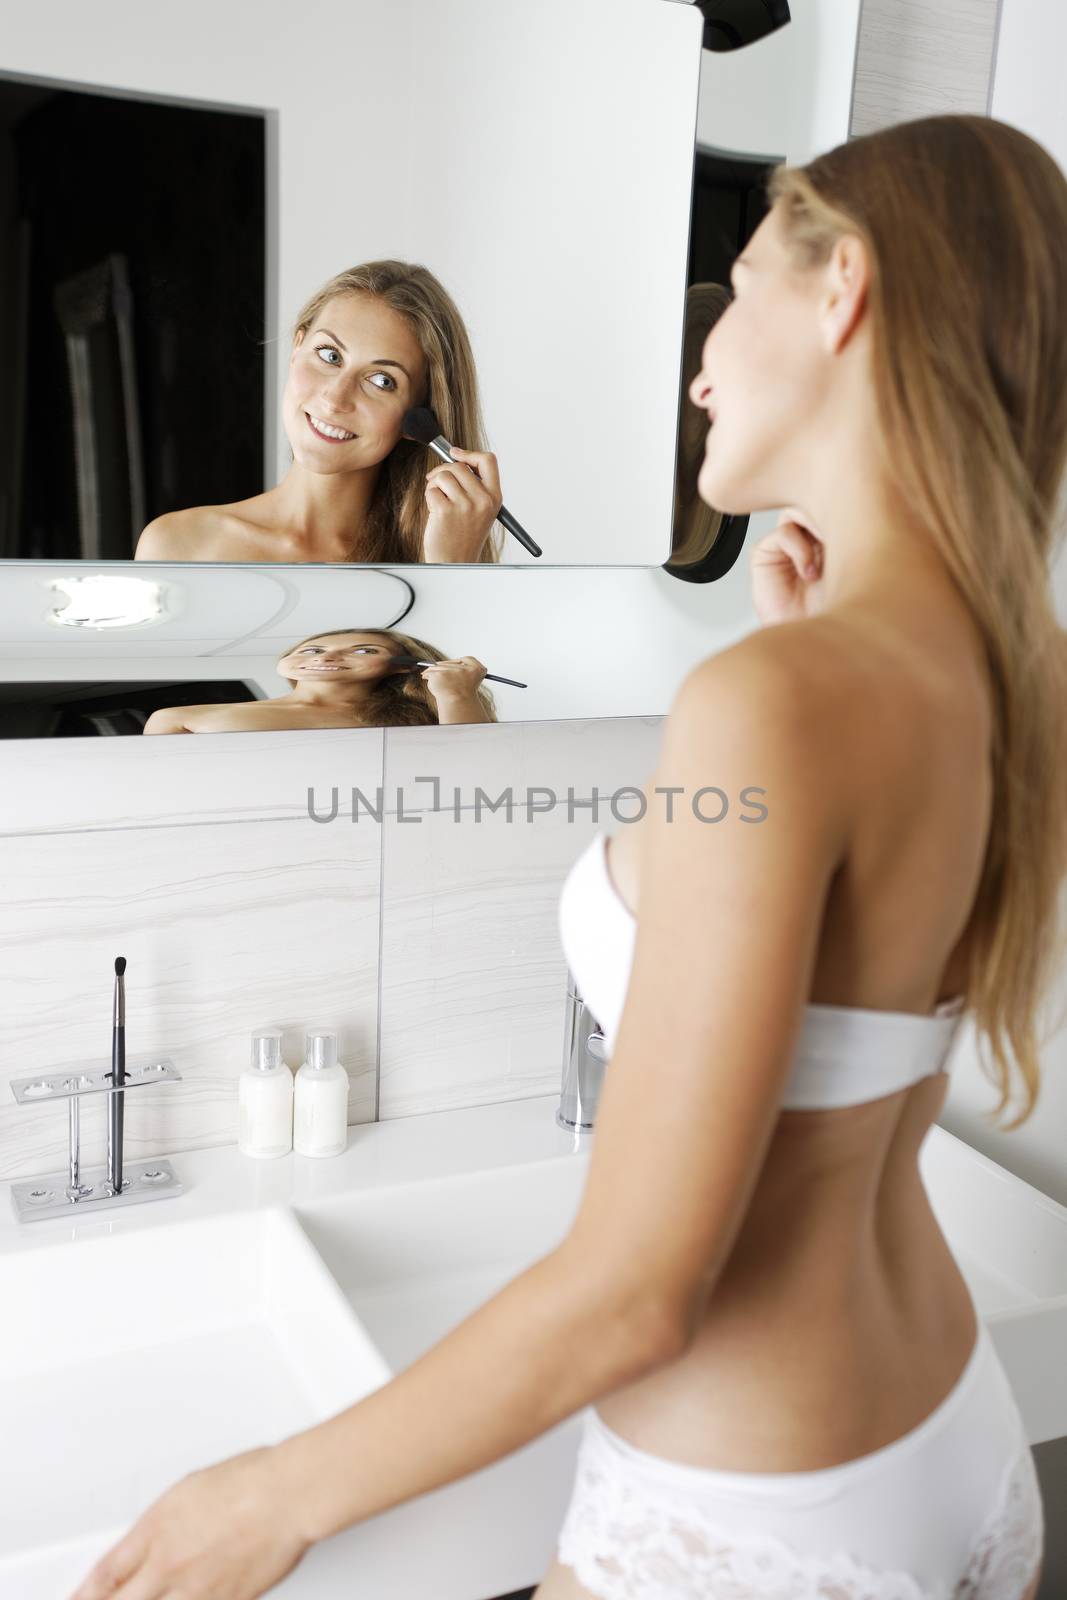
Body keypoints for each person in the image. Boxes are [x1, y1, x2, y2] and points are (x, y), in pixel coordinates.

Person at [69, 113, 1067, 1600]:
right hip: (943, 1434)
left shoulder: (778, 702)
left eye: (732, 290)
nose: (698, 364)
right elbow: (854, 1052)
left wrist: (273, 1494)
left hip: (745, 1506)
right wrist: (791, 657)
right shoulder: (1002, 667)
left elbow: (634, 1295)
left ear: (840, 290)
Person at [134, 262, 505, 564]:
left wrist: (453, 569)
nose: (336, 398)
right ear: (297, 348)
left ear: (420, 416)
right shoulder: (178, 547)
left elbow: (450, 656)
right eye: (330, 356)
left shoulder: (437, 561)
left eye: (381, 380)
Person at [141, 628, 497, 732]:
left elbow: (476, 777)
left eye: (363, 651)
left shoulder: (418, 724)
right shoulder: (174, 719)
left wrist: (455, 696)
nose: (327, 657)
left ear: (404, 666)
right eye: (312, 650)